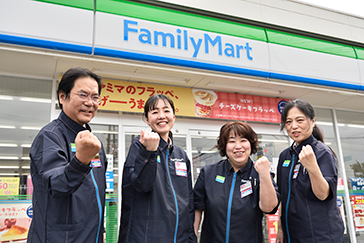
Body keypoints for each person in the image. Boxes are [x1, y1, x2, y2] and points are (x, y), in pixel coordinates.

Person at [27, 67, 107, 243]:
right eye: (83, 95)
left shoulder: (93, 142)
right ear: (62, 97)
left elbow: (99, 193)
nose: (90, 102)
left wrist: (101, 229)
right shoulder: (50, 136)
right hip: (60, 237)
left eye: (95, 97)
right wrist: (80, 161)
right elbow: (55, 184)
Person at [118, 94, 197, 243]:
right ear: (147, 120)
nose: (161, 116)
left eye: (166, 111)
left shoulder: (180, 154)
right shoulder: (139, 145)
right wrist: (149, 152)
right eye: (155, 112)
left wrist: (190, 236)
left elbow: (188, 200)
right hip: (147, 237)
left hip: (179, 237)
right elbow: (141, 184)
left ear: (173, 116)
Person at [194, 121, 280, 243]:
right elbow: (197, 209)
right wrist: (191, 238)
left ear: (251, 144)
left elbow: (269, 208)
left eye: (243, 140)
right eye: (232, 141)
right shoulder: (208, 173)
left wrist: (264, 174)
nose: (238, 146)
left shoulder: (260, 173)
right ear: (224, 146)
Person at [276, 99, 344, 243]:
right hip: (292, 234)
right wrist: (280, 229)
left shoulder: (322, 152)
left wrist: (312, 167)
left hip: (319, 235)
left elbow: (323, 194)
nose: (294, 126)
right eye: (288, 122)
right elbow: (282, 197)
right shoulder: (285, 156)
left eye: (299, 120)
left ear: (312, 121)